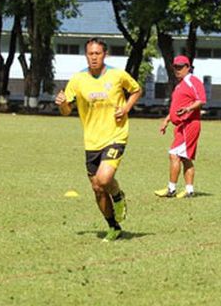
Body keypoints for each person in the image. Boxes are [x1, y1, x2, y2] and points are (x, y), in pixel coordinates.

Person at [55, 38, 142, 242]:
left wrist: (126, 108)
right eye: (90, 54)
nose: (94, 57)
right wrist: (61, 104)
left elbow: (136, 90)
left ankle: (118, 195)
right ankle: (113, 226)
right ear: (86, 55)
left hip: (116, 135)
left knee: (104, 179)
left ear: (105, 55)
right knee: (97, 188)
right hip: (91, 141)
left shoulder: (117, 75)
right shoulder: (77, 80)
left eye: (97, 54)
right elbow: (66, 110)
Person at [155, 55, 206, 198]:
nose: (177, 70)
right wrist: (166, 120)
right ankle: (189, 191)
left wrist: (188, 109)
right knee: (184, 158)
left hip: (188, 125)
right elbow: (176, 107)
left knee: (174, 155)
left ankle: (171, 189)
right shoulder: (180, 84)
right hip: (180, 127)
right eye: (175, 67)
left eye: (180, 67)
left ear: (188, 67)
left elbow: (201, 100)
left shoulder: (193, 81)